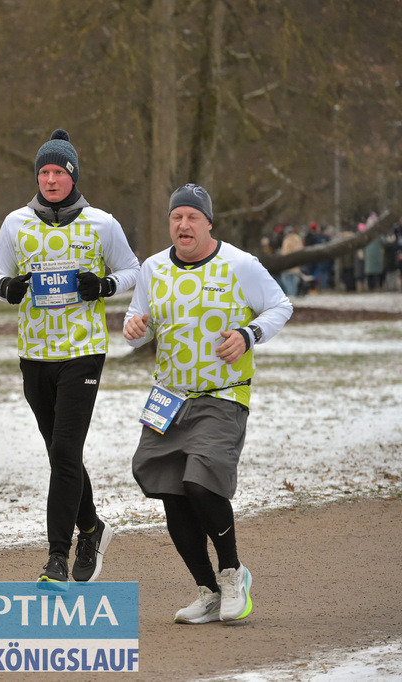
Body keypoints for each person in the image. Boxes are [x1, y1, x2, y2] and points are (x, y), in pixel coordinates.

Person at [123, 184, 292, 624]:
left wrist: (248, 335)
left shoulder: (240, 264)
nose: (184, 225)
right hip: (168, 398)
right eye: (176, 217)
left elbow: (280, 306)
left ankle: (233, 573)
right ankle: (208, 591)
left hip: (223, 393)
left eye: (192, 217)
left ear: (208, 223)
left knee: (200, 484)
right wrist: (135, 326)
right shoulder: (153, 268)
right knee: (170, 491)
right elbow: (137, 320)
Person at [0, 128, 140, 584]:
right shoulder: (16, 223)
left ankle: (58, 556)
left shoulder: (101, 223)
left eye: (59, 172)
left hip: (83, 351)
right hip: (35, 353)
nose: (51, 180)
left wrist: (105, 285)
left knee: (66, 450)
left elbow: (133, 270)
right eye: (44, 173)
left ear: (73, 175)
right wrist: (8, 288)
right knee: (59, 453)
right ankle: (92, 527)